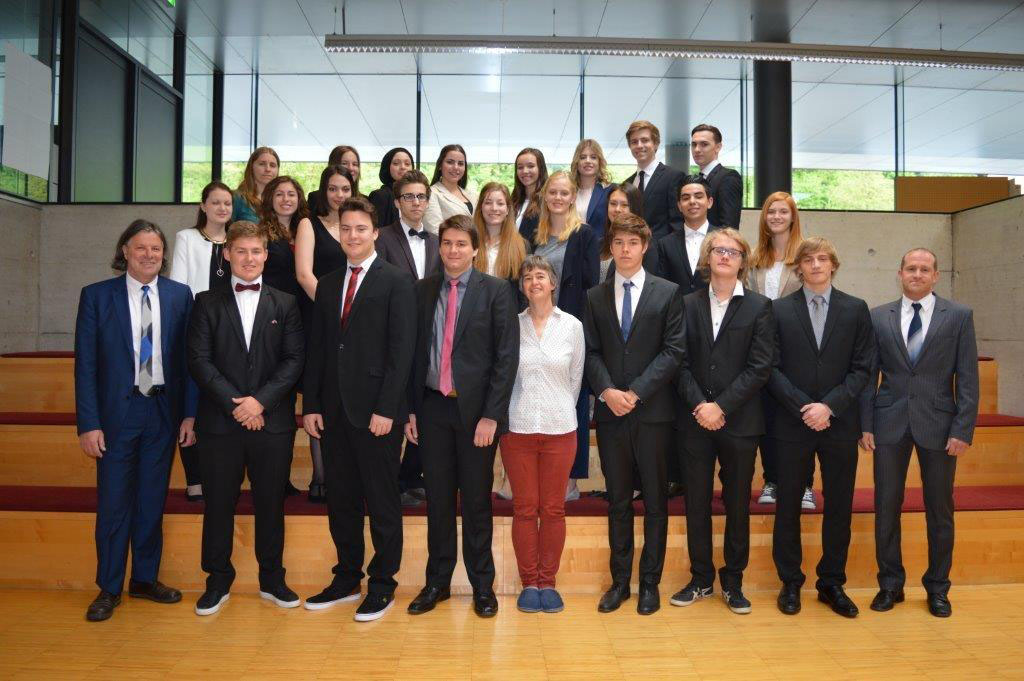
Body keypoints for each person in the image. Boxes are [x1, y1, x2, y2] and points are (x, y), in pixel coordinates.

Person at [74, 219, 196, 622]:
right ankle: (109, 587)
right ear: (125, 251)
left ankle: (144, 579)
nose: (149, 255)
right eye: (140, 247)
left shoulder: (180, 296)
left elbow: (188, 363)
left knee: (150, 501)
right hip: (115, 418)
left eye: (156, 249)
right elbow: (85, 367)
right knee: (113, 505)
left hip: (162, 412)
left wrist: (189, 413)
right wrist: (88, 423)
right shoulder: (96, 296)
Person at [302, 197, 416, 622]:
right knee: (342, 501)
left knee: (382, 502)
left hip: (378, 415)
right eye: (346, 228)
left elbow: (402, 352)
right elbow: (318, 347)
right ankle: (347, 577)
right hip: (333, 412)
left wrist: (388, 408)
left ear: (375, 233)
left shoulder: (397, 281)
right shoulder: (329, 283)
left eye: (361, 228)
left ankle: (382, 583)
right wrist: (311, 403)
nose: (353, 235)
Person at [187, 220, 305, 616]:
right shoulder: (205, 302)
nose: (249, 258)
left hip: (272, 423)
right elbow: (198, 360)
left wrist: (260, 403)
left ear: (266, 255)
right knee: (218, 505)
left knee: (271, 504)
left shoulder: (286, 303)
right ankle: (217, 580)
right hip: (220, 423)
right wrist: (236, 404)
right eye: (241, 251)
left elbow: (294, 361)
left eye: (256, 251)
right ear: (227, 254)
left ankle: (272, 579)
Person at [404, 215, 519, 619]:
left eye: (461, 244)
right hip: (432, 408)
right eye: (447, 243)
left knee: (475, 501)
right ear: (440, 248)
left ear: (475, 249)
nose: (453, 250)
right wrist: (411, 410)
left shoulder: (497, 291)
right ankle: (436, 583)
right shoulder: (422, 290)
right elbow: (412, 354)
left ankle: (482, 586)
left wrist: (492, 416)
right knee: (437, 500)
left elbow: (506, 359)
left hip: (476, 415)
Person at [860, 248, 979, 618]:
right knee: (886, 506)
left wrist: (962, 428)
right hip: (888, 422)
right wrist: (866, 424)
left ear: (936, 275)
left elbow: (968, 378)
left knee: (940, 510)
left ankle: (938, 588)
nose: (917, 274)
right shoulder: (878, 316)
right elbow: (868, 376)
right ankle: (890, 585)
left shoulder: (958, 316)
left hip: (940, 426)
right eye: (910, 268)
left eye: (924, 269)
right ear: (899, 273)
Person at [584, 213, 685, 616]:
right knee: (619, 502)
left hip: (653, 413)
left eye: (632, 243)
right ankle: (620, 583)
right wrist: (607, 391)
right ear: (610, 247)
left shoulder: (668, 292)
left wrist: (637, 391)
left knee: (656, 502)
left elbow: (674, 351)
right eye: (618, 243)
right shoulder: (595, 295)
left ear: (644, 247)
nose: (624, 250)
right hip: (611, 413)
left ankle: (650, 584)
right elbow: (591, 351)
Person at [768, 237, 874, 618]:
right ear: (798, 267)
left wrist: (829, 406)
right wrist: (804, 407)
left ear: (833, 265)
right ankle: (790, 581)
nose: (815, 265)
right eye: (808, 259)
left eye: (822, 258)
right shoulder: (778, 310)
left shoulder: (856, 309)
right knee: (788, 505)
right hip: (791, 423)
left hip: (839, 422)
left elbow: (863, 367)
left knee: (839, 506)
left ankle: (831, 582)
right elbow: (770, 367)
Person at [672, 228, 773, 616]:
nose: (725, 256)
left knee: (737, 504)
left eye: (733, 251)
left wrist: (722, 407)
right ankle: (700, 578)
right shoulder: (687, 303)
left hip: (740, 422)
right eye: (718, 250)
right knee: (696, 503)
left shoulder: (760, 307)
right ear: (707, 257)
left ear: (743, 261)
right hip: (694, 420)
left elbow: (760, 367)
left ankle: (733, 582)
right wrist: (702, 405)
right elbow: (678, 361)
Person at [502, 255, 585, 614]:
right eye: (527, 277)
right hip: (517, 428)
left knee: (552, 509)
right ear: (522, 287)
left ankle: (547, 582)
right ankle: (529, 583)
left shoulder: (572, 326)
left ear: (552, 283)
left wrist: (556, 405)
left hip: (559, 428)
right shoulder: (510, 325)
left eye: (540, 276)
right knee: (524, 509)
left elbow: (576, 378)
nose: (534, 282)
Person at [528, 171, 600, 499]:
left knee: (573, 401)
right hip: (535, 326)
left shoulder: (584, 235)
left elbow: (590, 285)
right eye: (552, 192)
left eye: (564, 193)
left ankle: (571, 479)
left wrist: (581, 329)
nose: (557, 198)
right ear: (545, 196)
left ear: (572, 197)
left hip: (569, 326)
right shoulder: (534, 232)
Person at [376, 169, 442, 507]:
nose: (416, 202)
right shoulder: (382, 238)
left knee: (423, 406)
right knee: (396, 405)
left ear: (428, 201)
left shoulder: (436, 241)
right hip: (391, 334)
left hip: (428, 336)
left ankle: (411, 476)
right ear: (397, 202)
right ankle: (389, 483)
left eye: (421, 196)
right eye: (409, 196)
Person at [747, 191, 813, 508]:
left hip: (796, 348)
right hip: (760, 349)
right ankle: (772, 481)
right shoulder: (753, 258)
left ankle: (804, 485)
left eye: (783, 211)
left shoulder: (805, 255)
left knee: (799, 415)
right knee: (767, 419)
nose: (776, 216)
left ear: (793, 217)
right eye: (771, 211)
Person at [170, 180, 234, 502]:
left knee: (222, 403)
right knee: (191, 404)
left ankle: (221, 475)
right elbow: (179, 287)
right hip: (195, 328)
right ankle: (194, 478)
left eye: (227, 203)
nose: (222, 208)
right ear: (203, 205)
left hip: (231, 333)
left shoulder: (237, 240)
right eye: (216, 202)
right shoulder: (187, 237)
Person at [294, 165, 355, 502]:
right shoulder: (309, 224)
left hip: (354, 321)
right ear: (323, 190)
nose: (339, 195)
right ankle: (320, 476)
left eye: (345, 189)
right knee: (320, 390)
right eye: (333, 188)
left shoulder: (355, 224)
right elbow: (304, 274)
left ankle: (345, 473)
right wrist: (336, 306)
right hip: (320, 315)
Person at [257, 175, 307, 496]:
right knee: (272, 393)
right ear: (270, 199)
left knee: (287, 400)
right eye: (279, 194)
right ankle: (268, 477)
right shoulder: (261, 232)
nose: (286, 199)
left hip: (301, 318)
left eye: (291, 194)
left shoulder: (307, 228)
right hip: (269, 319)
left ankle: (282, 475)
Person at [624, 120, 684, 241]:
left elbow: (677, 222)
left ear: (656, 144)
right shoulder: (628, 183)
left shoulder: (673, 177)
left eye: (645, 140)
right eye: (634, 142)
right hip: (631, 248)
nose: (639, 145)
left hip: (661, 249)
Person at [473, 182, 528, 282]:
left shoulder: (522, 246)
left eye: (500, 203)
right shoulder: (470, 242)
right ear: (481, 207)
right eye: (488, 203)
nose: (494, 208)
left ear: (507, 210)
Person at [690, 123, 742, 229]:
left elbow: (729, 227)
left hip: (716, 239)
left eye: (704, 144)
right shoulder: (694, 180)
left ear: (718, 147)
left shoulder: (728, 178)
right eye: (694, 144)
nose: (697, 149)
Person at [423, 144, 478, 234]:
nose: (456, 167)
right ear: (440, 165)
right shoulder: (431, 193)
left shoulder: (472, 195)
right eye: (450, 162)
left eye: (460, 163)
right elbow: (434, 231)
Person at [599, 181, 646, 281]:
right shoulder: (598, 244)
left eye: (624, 205)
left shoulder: (645, 245)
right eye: (613, 204)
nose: (617, 209)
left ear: (635, 208)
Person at [569, 139, 612, 241]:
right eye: (583, 157)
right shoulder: (568, 190)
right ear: (577, 162)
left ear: (599, 162)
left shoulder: (609, 191)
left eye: (593, 157)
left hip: (600, 248)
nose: (588, 161)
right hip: (570, 246)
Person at [368, 147, 414, 229]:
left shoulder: (416, 195)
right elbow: (375, 230)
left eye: (407, 164)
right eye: (396, 163)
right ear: (387, 167)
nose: (403, 167)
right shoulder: (380, 196)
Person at [233, 146, 280, 223]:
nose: (268, 169)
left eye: (272, 165)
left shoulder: (280, 200)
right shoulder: (237, 198)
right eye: (262, 164)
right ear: (251, 168)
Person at [307, 145, 361, 210]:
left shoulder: (365, 200)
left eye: (355, 164)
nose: (351, 168)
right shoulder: (315, 198)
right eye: (344, 163)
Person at [511, 147, 548, 239]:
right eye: (520, 167)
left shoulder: (547, 201)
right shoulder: (513, 200)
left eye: (530, 166)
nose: (525, 171)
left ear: (540, 169)